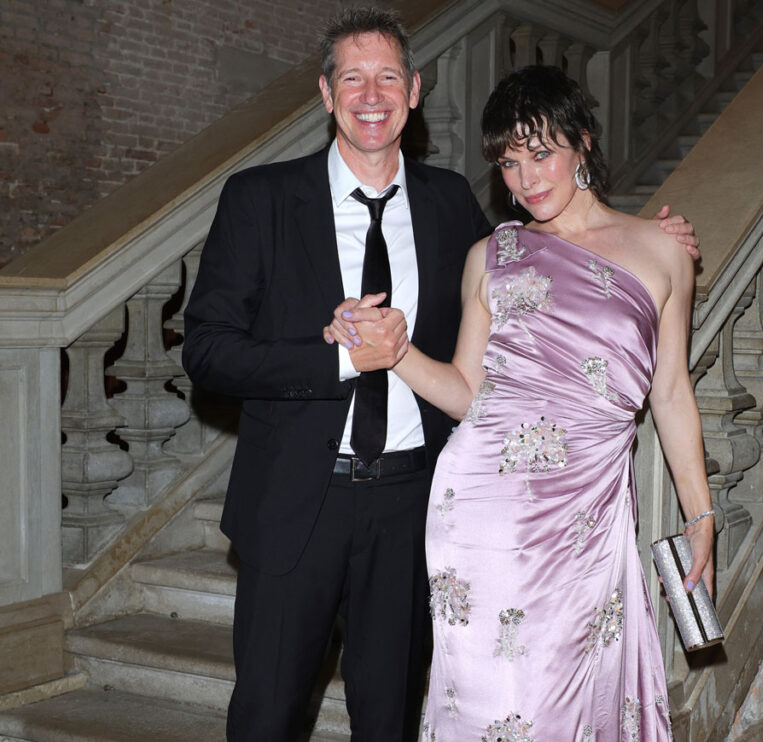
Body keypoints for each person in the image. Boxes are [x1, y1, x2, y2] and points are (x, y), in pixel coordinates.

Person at [184, 7, 701, 741]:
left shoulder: (450, 202)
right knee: (266, 717)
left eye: (388, 76)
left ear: (416, 90)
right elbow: (206, 352)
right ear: (326, 94)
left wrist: (651, 237)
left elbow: (551, 274)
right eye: (353, 78)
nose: (372, 94)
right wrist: (335, 354)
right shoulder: (259, 198)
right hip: (295, 504)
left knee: (389, 719)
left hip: (415, 507)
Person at [327, 65, 713, 740]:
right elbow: (465, 393)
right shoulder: (492, 254)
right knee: (498, 704)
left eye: (541, 154)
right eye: (509, 162)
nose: (527, 179)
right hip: (483, 513)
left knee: (569, 701)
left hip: (589, 516)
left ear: (582, 143)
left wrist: (700, 510)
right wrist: (397, 353)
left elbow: (672, 392)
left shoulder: (663, 252)